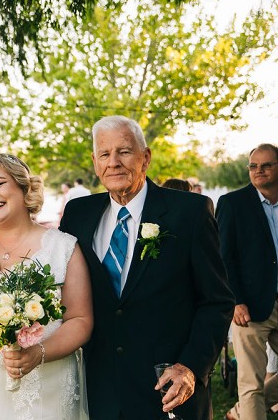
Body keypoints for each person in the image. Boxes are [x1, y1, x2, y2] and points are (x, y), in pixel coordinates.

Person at [59, 115, 234, 419]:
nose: (113, 162)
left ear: (146, 157)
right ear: (95, 162)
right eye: (104, 154)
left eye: (124, 151)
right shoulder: (78, 214)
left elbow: (216, 301)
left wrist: (190, 367)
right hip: (102, 393)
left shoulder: (190, 212)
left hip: (168, 390)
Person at [0, 153, 93, 419]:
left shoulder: (63, 247)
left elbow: (80, 320)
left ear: (24, 187)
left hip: (42, 391)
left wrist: (39, 353)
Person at [217, 143, 278, 420]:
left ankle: (242, 410)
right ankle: (248, 407)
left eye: (266, 165)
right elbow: (223, 257)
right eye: (253, 166)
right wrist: (235, 300)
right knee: (250, 384)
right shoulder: (233, 204)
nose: (258, 171)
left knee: (253, 394)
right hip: (249, 308)